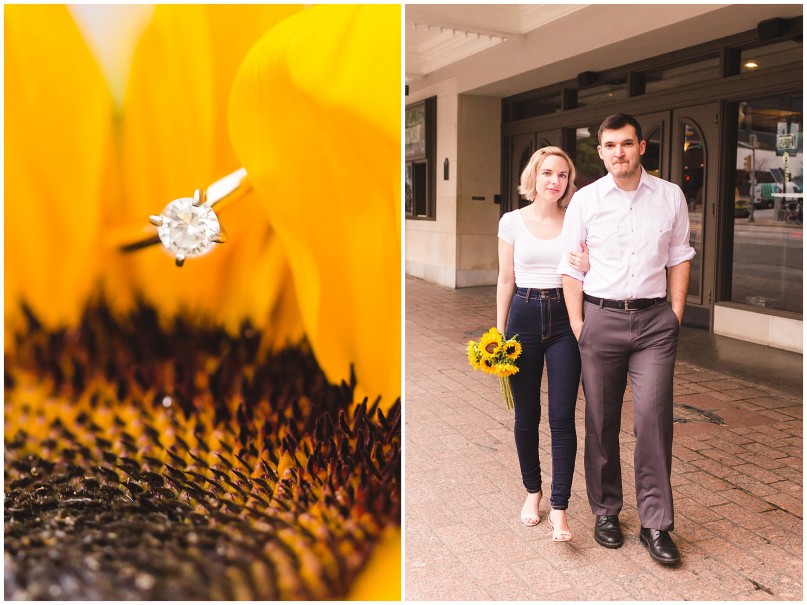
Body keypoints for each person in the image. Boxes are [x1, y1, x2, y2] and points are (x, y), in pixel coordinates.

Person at [557, 113, 695, 565]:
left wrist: (675, 313)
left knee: (653, 419)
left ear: (641, 147)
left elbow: (679, 255)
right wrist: (580, 325)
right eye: (611, 145)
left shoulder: (670, 196)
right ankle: (607, 512)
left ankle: (656, 524)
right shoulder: (586, 201)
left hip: (655, 322)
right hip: (602, 319)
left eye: (627, 144)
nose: (620, 152)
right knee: (600, 421)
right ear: (600, 151)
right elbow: (571, 267)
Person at [497, 146, 589, 542]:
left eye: (563, 175)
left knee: (563, 417)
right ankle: (532, 492)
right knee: (525, 415)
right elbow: (505, 279)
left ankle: (560, 508)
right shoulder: (511, 221)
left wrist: (589, 266)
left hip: (565, 318)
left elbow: (589, 272)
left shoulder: (576, 220)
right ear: (534, 175)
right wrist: (498, 335)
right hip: (523, 316)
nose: (555, 181)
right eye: (548, 173)